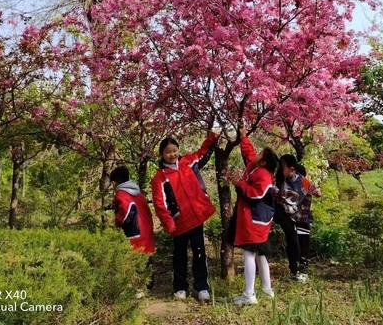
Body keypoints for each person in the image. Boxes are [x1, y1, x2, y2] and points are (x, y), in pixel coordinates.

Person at [151, 131, 219, 302]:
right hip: (179, 222)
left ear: (178, 149)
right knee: (179, 255)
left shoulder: (188, 162)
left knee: (199, 252)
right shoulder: (160, 178)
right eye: (168, 152)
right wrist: (168, 222)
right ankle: (180, 287)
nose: (172, 154)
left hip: (196, 218)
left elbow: (202, 152)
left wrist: (212, 137)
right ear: (162, 154)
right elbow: (160, 204)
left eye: (174, 150)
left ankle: (202, 286)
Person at [227, 126, 278, 306]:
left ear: (263, 162)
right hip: (257, 220)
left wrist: (238, 183)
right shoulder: (256, 167)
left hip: (254, 220)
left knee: (249, 253)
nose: (256, 153)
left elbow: (256, 193)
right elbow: (249, 155)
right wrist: (243, 137)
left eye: (260, 153)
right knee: (260, 254)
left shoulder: (263, 174)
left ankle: (249, 294)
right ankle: (266, 289)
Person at [274, 155, 321, 282]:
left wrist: (315, 192)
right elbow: (275, 194)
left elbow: (317, 192)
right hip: (287, 216)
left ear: (292, 169)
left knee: (303, 241)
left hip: (302, 216)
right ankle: (294, 270)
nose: (280, 170)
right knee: (292, 241)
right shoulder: (280, 181)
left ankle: (303, 269)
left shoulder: (303, 181)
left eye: (283, 168)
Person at [110, 165, 156, 255]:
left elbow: (125, 212)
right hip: (146, 233)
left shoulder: (121, 195)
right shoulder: (139, 194)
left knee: (135, 263)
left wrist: (117, 222)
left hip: (134, 237)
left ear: (114, 183)